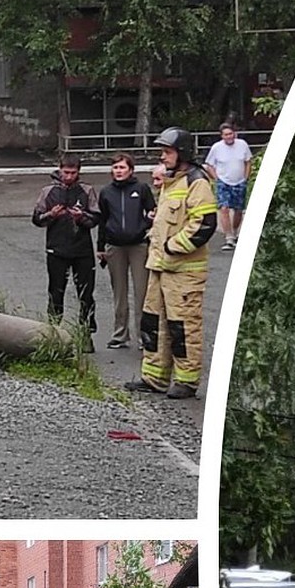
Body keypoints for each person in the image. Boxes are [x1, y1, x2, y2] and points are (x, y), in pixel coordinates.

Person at [124, 127, 217, 399]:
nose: (162, 157)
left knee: (182, 326)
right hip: (160, 267)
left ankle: (187, 381)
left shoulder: (196, 182)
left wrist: (172, 247)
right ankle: (154, 377)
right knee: (153, 323)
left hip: (183, 271)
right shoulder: (171, 181)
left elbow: (204, 225)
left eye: (167, 152)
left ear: (182, 153)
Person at [31, 155, 100, 350]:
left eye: (73, 173)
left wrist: (81, 218)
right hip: (57, 249)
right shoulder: (48, 191)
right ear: (59, 170)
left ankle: (86, 334)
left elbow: (95, 218)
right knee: (55, 292)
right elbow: (36, 219)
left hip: (82, 251)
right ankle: (53, 333)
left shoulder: (87, 191)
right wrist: (51, 215)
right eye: (66, 172)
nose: (69, 176)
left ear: (78, 172)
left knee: (86, 294)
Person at [95, 152, 156, 349]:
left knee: (142, 292)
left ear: (131, 170)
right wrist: (100, 246)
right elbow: (102, 221)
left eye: (122, 167)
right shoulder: (106, 192)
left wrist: (143, 225)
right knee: (119, 293)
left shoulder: (141, 188)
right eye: (115, 168)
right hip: (115, 246)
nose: (118, 171)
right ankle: (120, 334)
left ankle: (142, 336)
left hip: (138, 245)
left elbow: (153, 213)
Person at [203, 123, 252, 250]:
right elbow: (209, 165)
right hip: (223, 181)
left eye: (230, 134)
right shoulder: (216, 148)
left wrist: (246, 178)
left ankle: (235, 232)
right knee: (223, 208)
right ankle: (228, 237)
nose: (229, 137)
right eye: (226, 135)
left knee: (238, 210)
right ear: (222, 136)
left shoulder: (242, 145)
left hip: (239, 181)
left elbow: (248, 162)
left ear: (234, 134)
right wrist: (217, 179)